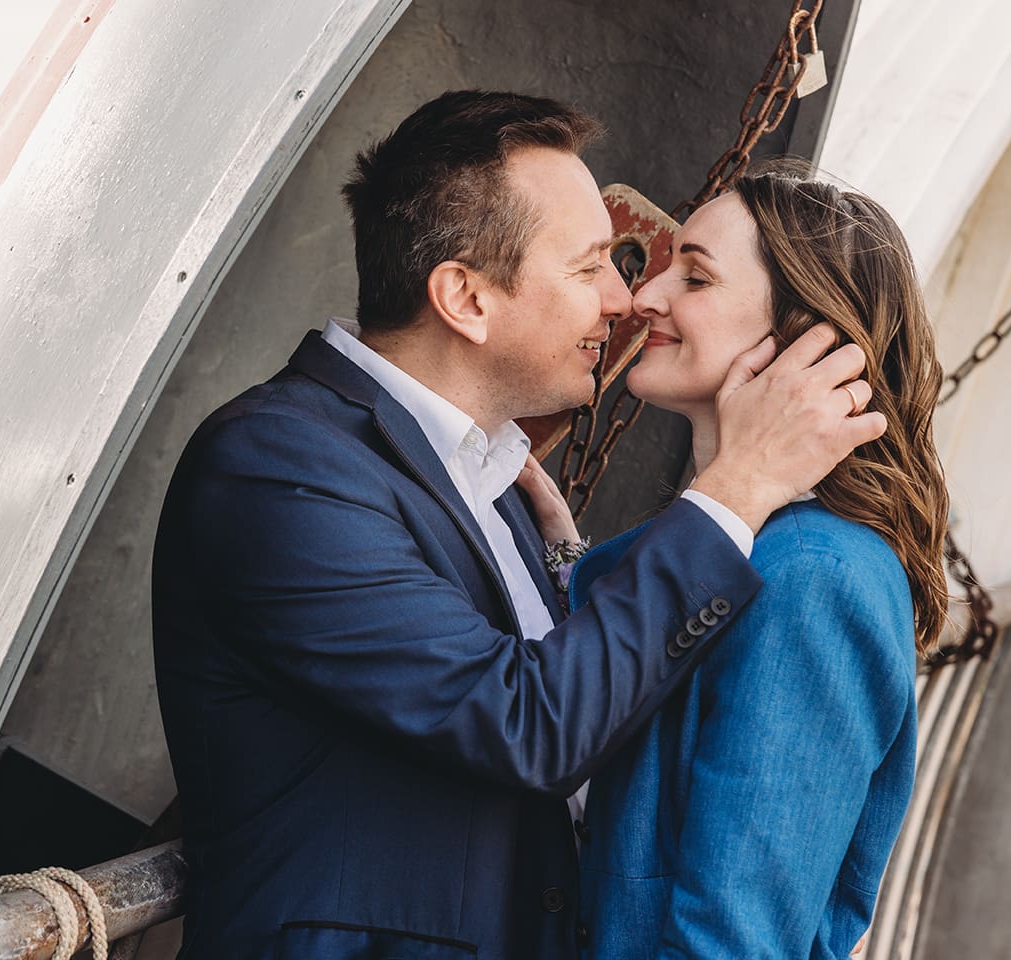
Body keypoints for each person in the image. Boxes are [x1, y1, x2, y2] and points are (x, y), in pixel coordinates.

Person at [152, 92, 886, 960]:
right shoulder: (279, 466)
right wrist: (741, 483)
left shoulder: (490, 484)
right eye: (590, 268)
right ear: (465, 297)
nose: (626, 296)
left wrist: (573, 561)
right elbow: (525, 721)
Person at [518, 162, 948, 959]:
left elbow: (734, 940)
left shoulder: (816, 577)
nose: (644, 297)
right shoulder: (756, 549)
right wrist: (566, 556)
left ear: (801, 342)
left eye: (697, 277)